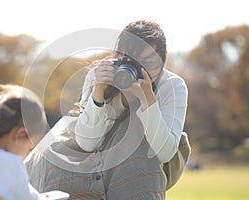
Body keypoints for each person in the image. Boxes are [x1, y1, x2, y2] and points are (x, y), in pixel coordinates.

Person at [25, 20, 188, 200]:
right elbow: (87, 143)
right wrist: (98, 92)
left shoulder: (172, 86)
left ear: (163, 58)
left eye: (148, 61)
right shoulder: (102, 75)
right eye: (131, 59)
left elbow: (165, 154)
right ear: (119, 56)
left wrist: (147, 99)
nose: (139, 68)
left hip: (134, 163)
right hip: (87, 157)